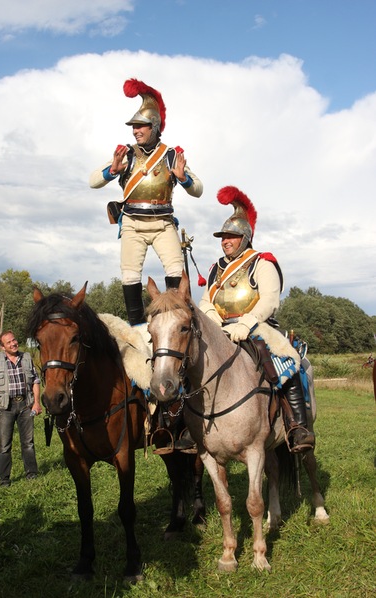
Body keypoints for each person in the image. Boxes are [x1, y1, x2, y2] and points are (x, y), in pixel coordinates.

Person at [199, 186, 315, 453]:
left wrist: (246, 323)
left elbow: (269, 301)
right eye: (223, 237)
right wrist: (216, 325)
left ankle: (297, 426)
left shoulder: (262, 263)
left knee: (286, 361)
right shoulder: (216, 269)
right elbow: (206, 303)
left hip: (258, 327)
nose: (225, 240)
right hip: (221, 330)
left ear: (245, 237)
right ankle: (187, 426)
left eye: (231, 236)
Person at [89, 78, 203, 327]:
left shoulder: (172, 155)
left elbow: (198, 190)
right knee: (130, 275)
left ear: (154, 126)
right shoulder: (127, 154)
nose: (135, 130)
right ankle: (137, 328)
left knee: (175, 272)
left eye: (140, 126)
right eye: (133, 127)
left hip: (163, 224)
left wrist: (183, 179)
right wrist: (112, 170)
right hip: (132, 223)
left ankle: (175, 321)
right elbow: (93, 181)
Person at [0, 330, 42, 486]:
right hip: (6, 407)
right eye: (9, 342)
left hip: (26, 405)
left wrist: (37, 403)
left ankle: (31, 474)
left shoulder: (26, 357)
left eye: (14, 340)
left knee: (28, 443)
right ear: (3, 347)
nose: (13, 344)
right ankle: (4, 479)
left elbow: (36, 380)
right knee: (4, 445)